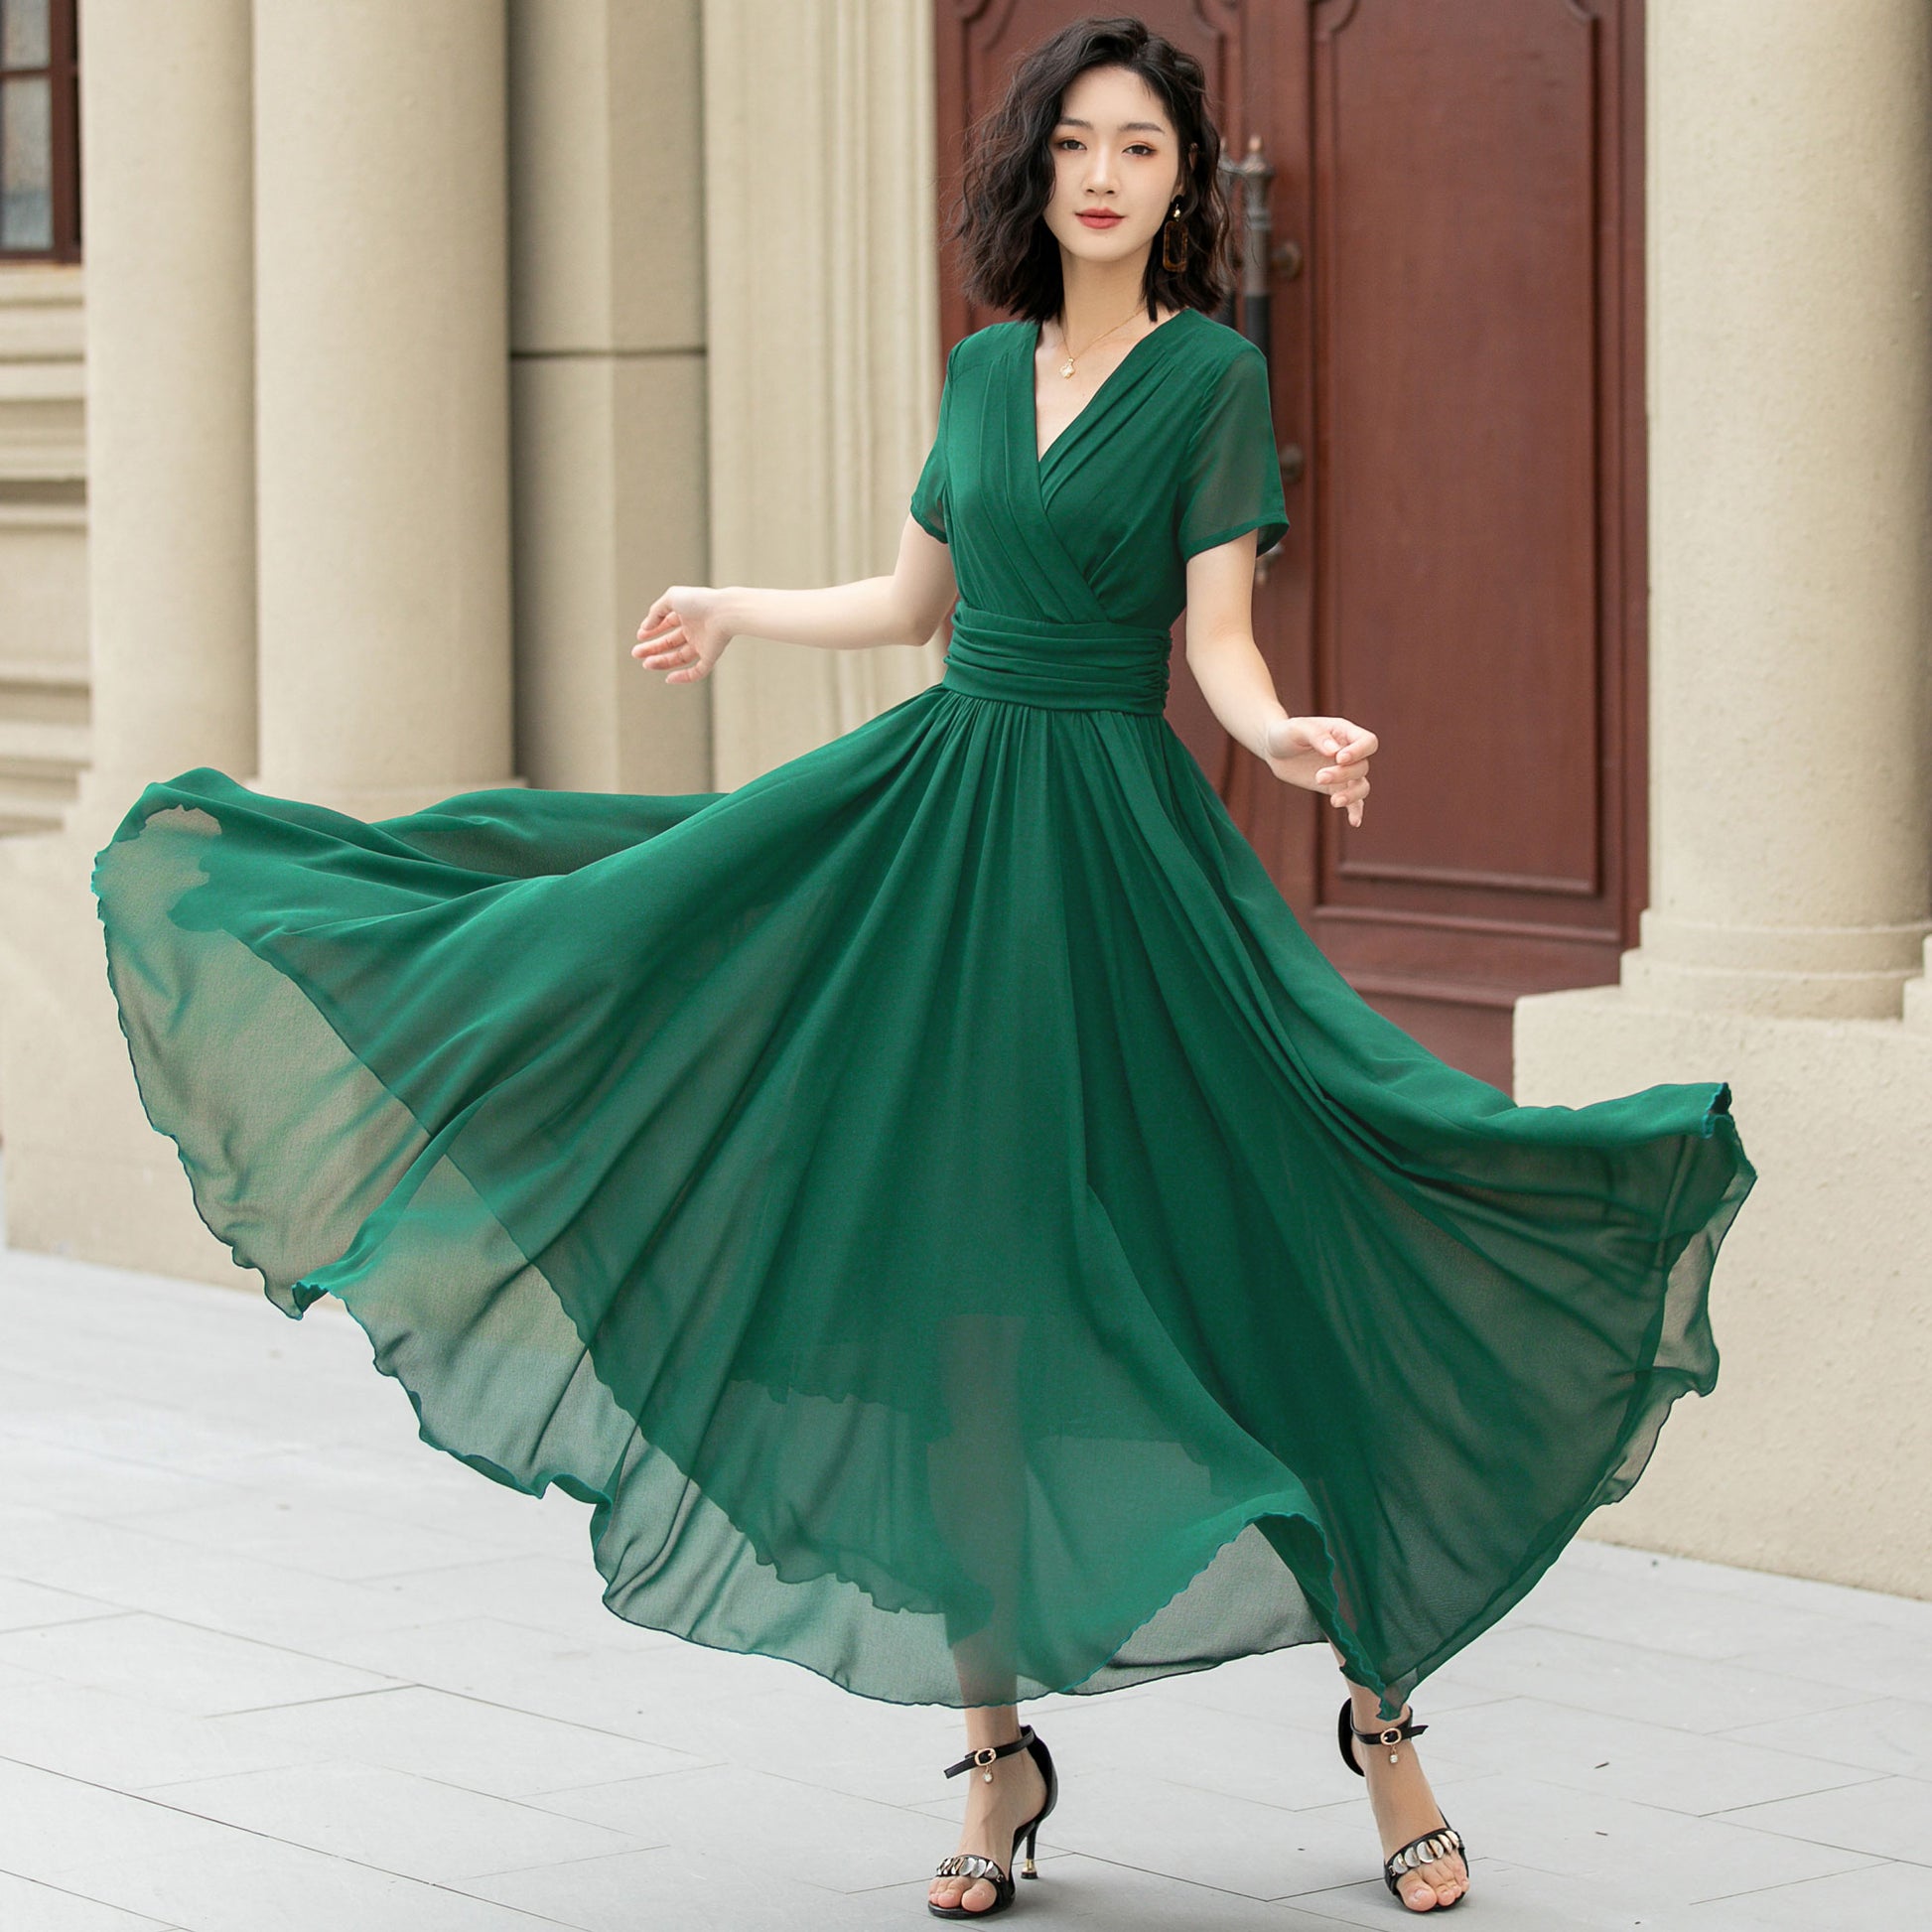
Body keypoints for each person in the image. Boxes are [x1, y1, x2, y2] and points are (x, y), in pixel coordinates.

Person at [89, 13, 1754, 1925]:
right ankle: (992, 1756)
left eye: (1143, 146)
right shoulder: (978, 375)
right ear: (1033, 175)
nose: (1108, 174)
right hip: (942, 842)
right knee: (955, 1290)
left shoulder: (1211, 377)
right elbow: (909, 604)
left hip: (1120, 854)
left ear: (1180, 184)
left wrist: (1284, 733)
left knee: (1253, 1245)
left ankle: (1385, 1726)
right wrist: (732, 604)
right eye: (1078, 145)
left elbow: (1217, 641)